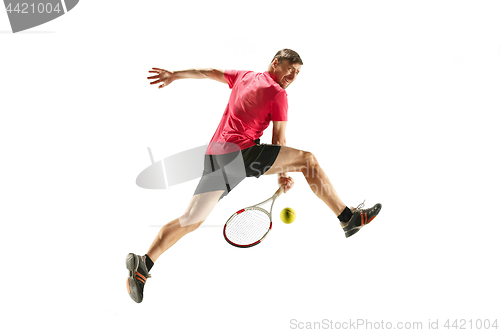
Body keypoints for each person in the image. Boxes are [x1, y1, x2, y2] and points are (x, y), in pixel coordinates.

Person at [126, 49, 382, 303]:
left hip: (215, 155)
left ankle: (143, 265)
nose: (293, 76)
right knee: (308, 160)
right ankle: (348, 218)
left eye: (297, 73)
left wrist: (175, 75)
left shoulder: (244, 76)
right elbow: (279, 141)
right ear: (275, 63)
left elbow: (208, 73)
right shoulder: (278, 94)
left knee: (191, 219)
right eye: (290, 69)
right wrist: (282, 175)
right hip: (239, 154)